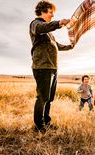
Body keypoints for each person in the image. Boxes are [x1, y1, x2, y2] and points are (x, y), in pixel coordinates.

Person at [29, 0, 74, 132]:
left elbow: (57, 46)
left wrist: (71, 46)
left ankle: (46, 122)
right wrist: (60, 23)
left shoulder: (49, 33)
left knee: (49, 98)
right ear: (42, 12)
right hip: (42, 67)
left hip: (53, 68)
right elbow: (40, 28)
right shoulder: (35, 24)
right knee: (42, 97)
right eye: (50, 12)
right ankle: (39, 126)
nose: (52, 15)